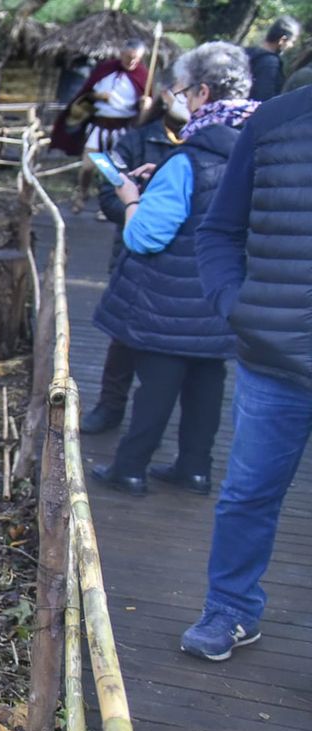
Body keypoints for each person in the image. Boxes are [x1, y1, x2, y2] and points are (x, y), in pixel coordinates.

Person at [89, 43, 256, 501]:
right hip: (220, 297)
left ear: (203, 93)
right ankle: (195, 469)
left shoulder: (189, 160)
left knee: (157, 386)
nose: (179, 99)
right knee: (206, 383)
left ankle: (130, 469)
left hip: (168, 300)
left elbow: (146, 236)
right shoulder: (254, 152)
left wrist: (132, 199)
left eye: (182, 91)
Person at [186, 54, 312, 662]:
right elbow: (219, 229)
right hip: (273, 360)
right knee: (247, 495)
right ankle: (230, 608)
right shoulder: (275, 122)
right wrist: (233, 303)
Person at [82, 86, 189, 436]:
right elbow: (109, 195)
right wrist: (141, 208)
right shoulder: (136, 140)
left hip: (181, 266)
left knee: (166, 347)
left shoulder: (200, 146)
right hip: (135, 256)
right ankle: (109, 406)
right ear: (167, 96)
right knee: (123, 337)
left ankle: (150, 428)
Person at [53, 39, 150, 213]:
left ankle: (108, 206)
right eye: (129, 57)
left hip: (122, 130)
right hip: (99, 126)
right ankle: (82, 195)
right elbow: (85, 96)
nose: (132, 62)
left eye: (136, 58)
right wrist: (97, 96)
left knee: (116, 171)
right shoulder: (106, 69)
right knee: (87, 166)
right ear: (122, 53)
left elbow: (145, 115)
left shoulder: (143, 76)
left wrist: (146, 106)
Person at [246, 16, 300, 101]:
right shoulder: (271, 64)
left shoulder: (248, 52)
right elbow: (263, 97)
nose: (291, 46)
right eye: (292, 42)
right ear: (282, 40)